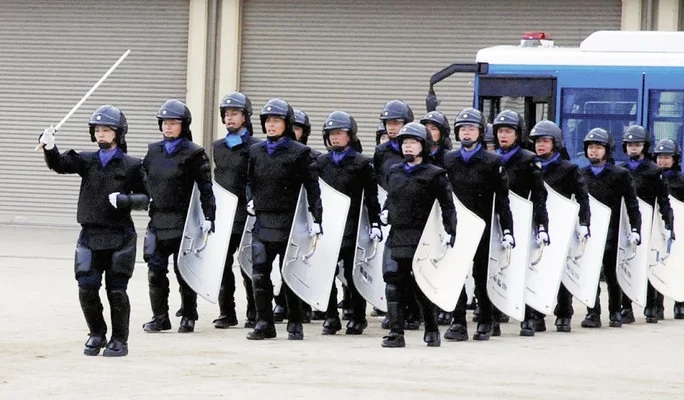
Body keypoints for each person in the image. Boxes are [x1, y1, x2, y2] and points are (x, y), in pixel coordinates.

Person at [39, 105, 149, 357]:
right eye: (97, 130)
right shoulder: (87, 160)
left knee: (116, 291)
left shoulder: (132, 165)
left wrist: (125, 200)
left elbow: (147, 198)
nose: (100, 134)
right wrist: (49, 146)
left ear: (118, 133)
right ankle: (97, 333)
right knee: (86, 287)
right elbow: (59, 164)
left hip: (120, 237)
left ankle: (119, 339)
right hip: (90, 236)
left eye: (106, 130)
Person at [245, 98, 323, 340]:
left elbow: (313, 189)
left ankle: (295, 322)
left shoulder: (301, 153)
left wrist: (317, 219)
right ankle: (264, 323)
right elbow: (249, 181)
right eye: (267, 120)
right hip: (263, 222)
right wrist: (250, 199)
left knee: (289, 273)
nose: (270, 125)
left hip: (289, 223)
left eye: (276, 120)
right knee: (259, 273)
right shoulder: (255, 151)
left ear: (286, 123)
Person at [141, 99, 216, 334]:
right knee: (155, 270)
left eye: (173, 123)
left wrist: (209, 217)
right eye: (164, 123)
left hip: (184, 221)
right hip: (157, 220)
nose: (168, 127)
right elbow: (143, 179)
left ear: (183, 125)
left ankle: (189, 315)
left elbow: (206, 188)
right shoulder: (153, 151)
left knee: (183, 271)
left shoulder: (195, 154)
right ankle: (160, 317)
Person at [381, 122, 457, 348]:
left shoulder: (435, 174)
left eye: (413, 142)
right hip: (397, 235)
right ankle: (396, 333)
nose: (408, 146)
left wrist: (451, 231)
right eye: (405, 142)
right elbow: (391, 197)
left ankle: (432, 330)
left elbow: (447, 206)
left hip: (422, 238)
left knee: (421, 286)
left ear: (424, 145)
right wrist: (385, 211)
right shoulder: (394, 171)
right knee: (393, 282)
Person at [442, 107, 514, 341]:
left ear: (480, 132)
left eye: (471, 128)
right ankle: (458, 321)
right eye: (462, 129)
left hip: (482, 226)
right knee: (455, 274)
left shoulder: (493, 161)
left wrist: (507, 230)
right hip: (457, 226)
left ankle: (486, 320)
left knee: (481, 276)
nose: (466, 133)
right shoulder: (449, 159)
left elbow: (502, 200)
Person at [316, 111, 382, 335]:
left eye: (339, 133)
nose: (335, 137)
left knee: (353, 275)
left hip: (353, 226)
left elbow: (371, 197)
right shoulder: (321, 162)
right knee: (326, 272)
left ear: (350, 135)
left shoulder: (362, 163)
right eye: (331, 133)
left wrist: (375, 223)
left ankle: (358, 316)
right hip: (329, 227)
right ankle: (330, 316)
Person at [529, 120, 591, 332]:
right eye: (537, 141)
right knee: (537, 268)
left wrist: (584, 223)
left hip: (561, 225)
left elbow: (582, 197)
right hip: (537, 224)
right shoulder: (531, 166)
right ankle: (537, 312)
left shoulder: (568, 169)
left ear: (555, 143)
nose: (540, 145)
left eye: (545, 141)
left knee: (562, 270)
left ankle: (564, 312)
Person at [493, 109, 549, 337]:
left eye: (508, 131)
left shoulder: (528, 160)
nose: (503, 135)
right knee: (497, 268)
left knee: (524, 270)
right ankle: (494, 315)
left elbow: (539, 194)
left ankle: (529, 316)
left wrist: (541, 225)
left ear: (518, 134)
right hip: (498, 219)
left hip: (523, 220)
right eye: (500, 131)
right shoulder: (492, 159)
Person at [580, 127, 641, 328]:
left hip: (613, 232)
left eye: (598, 147)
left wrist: (635, 229)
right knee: (591, 273)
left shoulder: (620, 175)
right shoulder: (582, 174)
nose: (594, 151)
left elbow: (632, 204)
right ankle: (593, 312)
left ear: (607, 150)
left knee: (613, 274)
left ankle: (615, 311)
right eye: (590, 147)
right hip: (590, 232)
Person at [211, 92, 260, 329]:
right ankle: (226, 312)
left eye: (235, 114)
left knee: (249, 263)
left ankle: (254, 312)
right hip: (225, 214)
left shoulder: (256, 147)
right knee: (221, 262)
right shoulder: (218, 147)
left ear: (245, 117)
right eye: (227, 114)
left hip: (248, 214)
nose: (230, 118)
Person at [374, 100, 421, 330]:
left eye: (396, 123)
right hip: (393, 213)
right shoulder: (382, 152)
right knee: (393, 270)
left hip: (417, 217)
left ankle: (417, 310)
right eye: (388, 123)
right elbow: (379, 180)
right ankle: (397, 312)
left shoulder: (418, 148)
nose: (392, 128)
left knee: (415, 269)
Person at [619, 125, 674, 323]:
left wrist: (668, 225)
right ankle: (626, 308)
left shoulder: (654, 171)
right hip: (626, 223)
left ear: (644, 146)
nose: (633, 147)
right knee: (626, 263)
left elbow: (664, 201)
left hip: (649, 224)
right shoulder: (621, 170)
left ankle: (653, 306)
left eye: (637, 144)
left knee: (649, 264)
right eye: (630, 144)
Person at [652, 138, 684, 319]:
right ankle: (657, 305)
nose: (662, 161)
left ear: (674, 159)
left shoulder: (681, 180)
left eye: (666, 157)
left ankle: (680, 302)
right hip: (658, 227)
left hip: (679, 228)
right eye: (659, 157)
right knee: (658, 264)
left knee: (679, 264)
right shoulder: (653, 178)